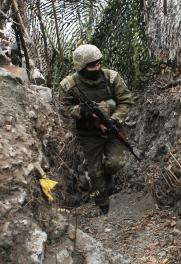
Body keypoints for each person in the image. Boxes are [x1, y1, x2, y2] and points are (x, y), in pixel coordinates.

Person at [59, 44, 133, 214]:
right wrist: (81, 111)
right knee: (94, 171)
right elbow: (64, 108)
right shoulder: (68, 85)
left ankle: (108, 177)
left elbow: (126, 101)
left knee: (115, 163)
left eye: (98, 63)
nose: (97, 67)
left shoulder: (112, 78)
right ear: (80, 67)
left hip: (113, 129)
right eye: (92, 65)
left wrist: (114, 119)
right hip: (88, 134)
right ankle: (102, 204)